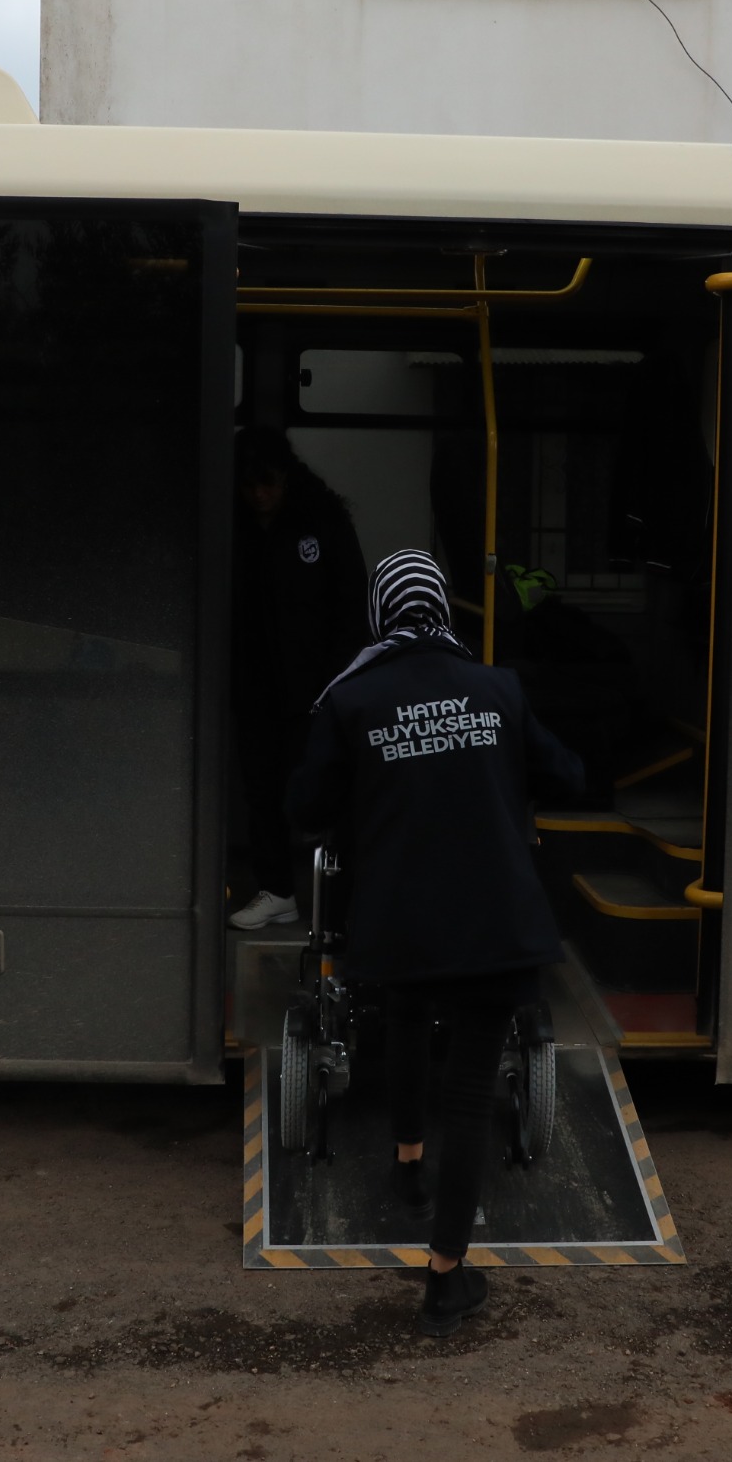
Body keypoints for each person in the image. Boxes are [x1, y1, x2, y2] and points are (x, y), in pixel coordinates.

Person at [286, 549, 585, 1337]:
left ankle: (409, 1165)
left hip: (400, 920)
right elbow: (566, 777)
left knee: (410, 1015)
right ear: (444, 610)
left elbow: (305, 804)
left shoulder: (349, 697)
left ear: (381, 613)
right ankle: (445, 1276)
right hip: (495, 922)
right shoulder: (498, 687)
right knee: (472, 1088)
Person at [227, 427, 368, 930]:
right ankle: (276, 890)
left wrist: (338, 683)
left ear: (287, 479)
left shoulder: (322, 522)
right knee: (261, 789)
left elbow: (352, 605)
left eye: (268, 484)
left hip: (316, 687)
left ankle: (336, 900)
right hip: (254, 685)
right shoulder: (233, 529)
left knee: (319, 791)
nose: (260, 496)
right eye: (249, 486)